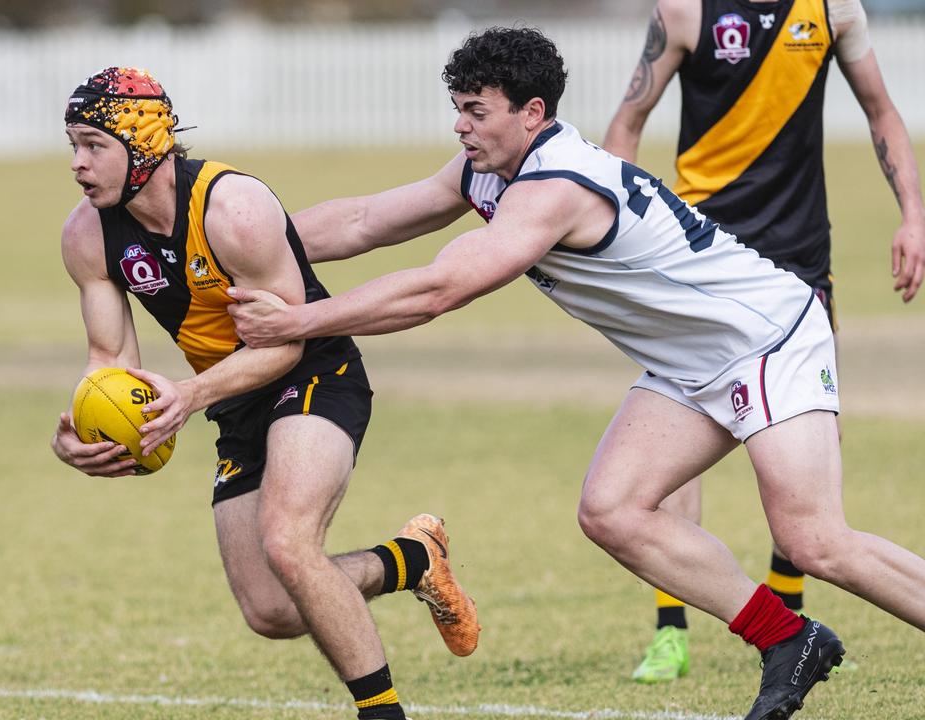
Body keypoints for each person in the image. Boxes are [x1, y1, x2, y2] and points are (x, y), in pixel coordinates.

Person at [228, 27, 925, 720]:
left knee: (814, 541)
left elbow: (440, 290)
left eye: (477, 111)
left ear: (531, 113)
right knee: (613, 511)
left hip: (768, 338)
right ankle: (790, 641)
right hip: (691, 360)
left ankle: (801, 634)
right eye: (459, 107)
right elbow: (363, 220)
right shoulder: (484, 169)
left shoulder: (555, 186)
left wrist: (298, 322)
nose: (460, 125)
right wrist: (226, 240)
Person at [50, 67, 480, 720]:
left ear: (141, 145)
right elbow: (110, 362)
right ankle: (413, 559)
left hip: (312, 372)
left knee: (288, 540)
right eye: (72, 145)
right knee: (273, 610)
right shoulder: (88, 235)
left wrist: (190, 395)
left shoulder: (234, 209)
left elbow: (285, 341)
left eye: (92, 145)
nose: (78, 164)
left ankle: (383, 712)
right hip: (230, 398)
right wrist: (85, 433)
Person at [601, 0, 925, 682]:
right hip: (696, 268)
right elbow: (626, 126)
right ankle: (671, 631)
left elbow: (883, 113)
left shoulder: (834, 8)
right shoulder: (684, 11)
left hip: (800, 269)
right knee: (666, 459)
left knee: (810, 480)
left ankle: (794, 622)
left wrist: (913, 217)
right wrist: (619, 245)